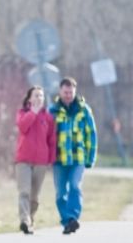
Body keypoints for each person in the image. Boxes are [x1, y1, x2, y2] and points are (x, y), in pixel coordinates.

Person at [49, 77, 97, 234]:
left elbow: (91, 135)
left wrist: (91, 157)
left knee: (75, 186)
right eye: (65, 92)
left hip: (78, 158)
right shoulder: (53, 110)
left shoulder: (84, 110)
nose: (68, 95)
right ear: (60, 92)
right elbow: (47, 135)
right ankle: (68, 221)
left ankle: (73, 216)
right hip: (58, 158)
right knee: (60, 193)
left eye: (71, 92)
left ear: (75, 91)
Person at [15, 86, 55, 234]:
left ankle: (30, 218)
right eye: (36, 96)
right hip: (23, 160)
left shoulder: (48, 118)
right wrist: (33, 112)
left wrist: (50, 160)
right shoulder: (22, 113)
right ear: (30, 99)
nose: (39, 98)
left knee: (35, 196)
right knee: (24, 191)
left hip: (41, 162)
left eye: (41, 96)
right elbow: (22, 127)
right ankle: (24, 220)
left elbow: (51, 140)